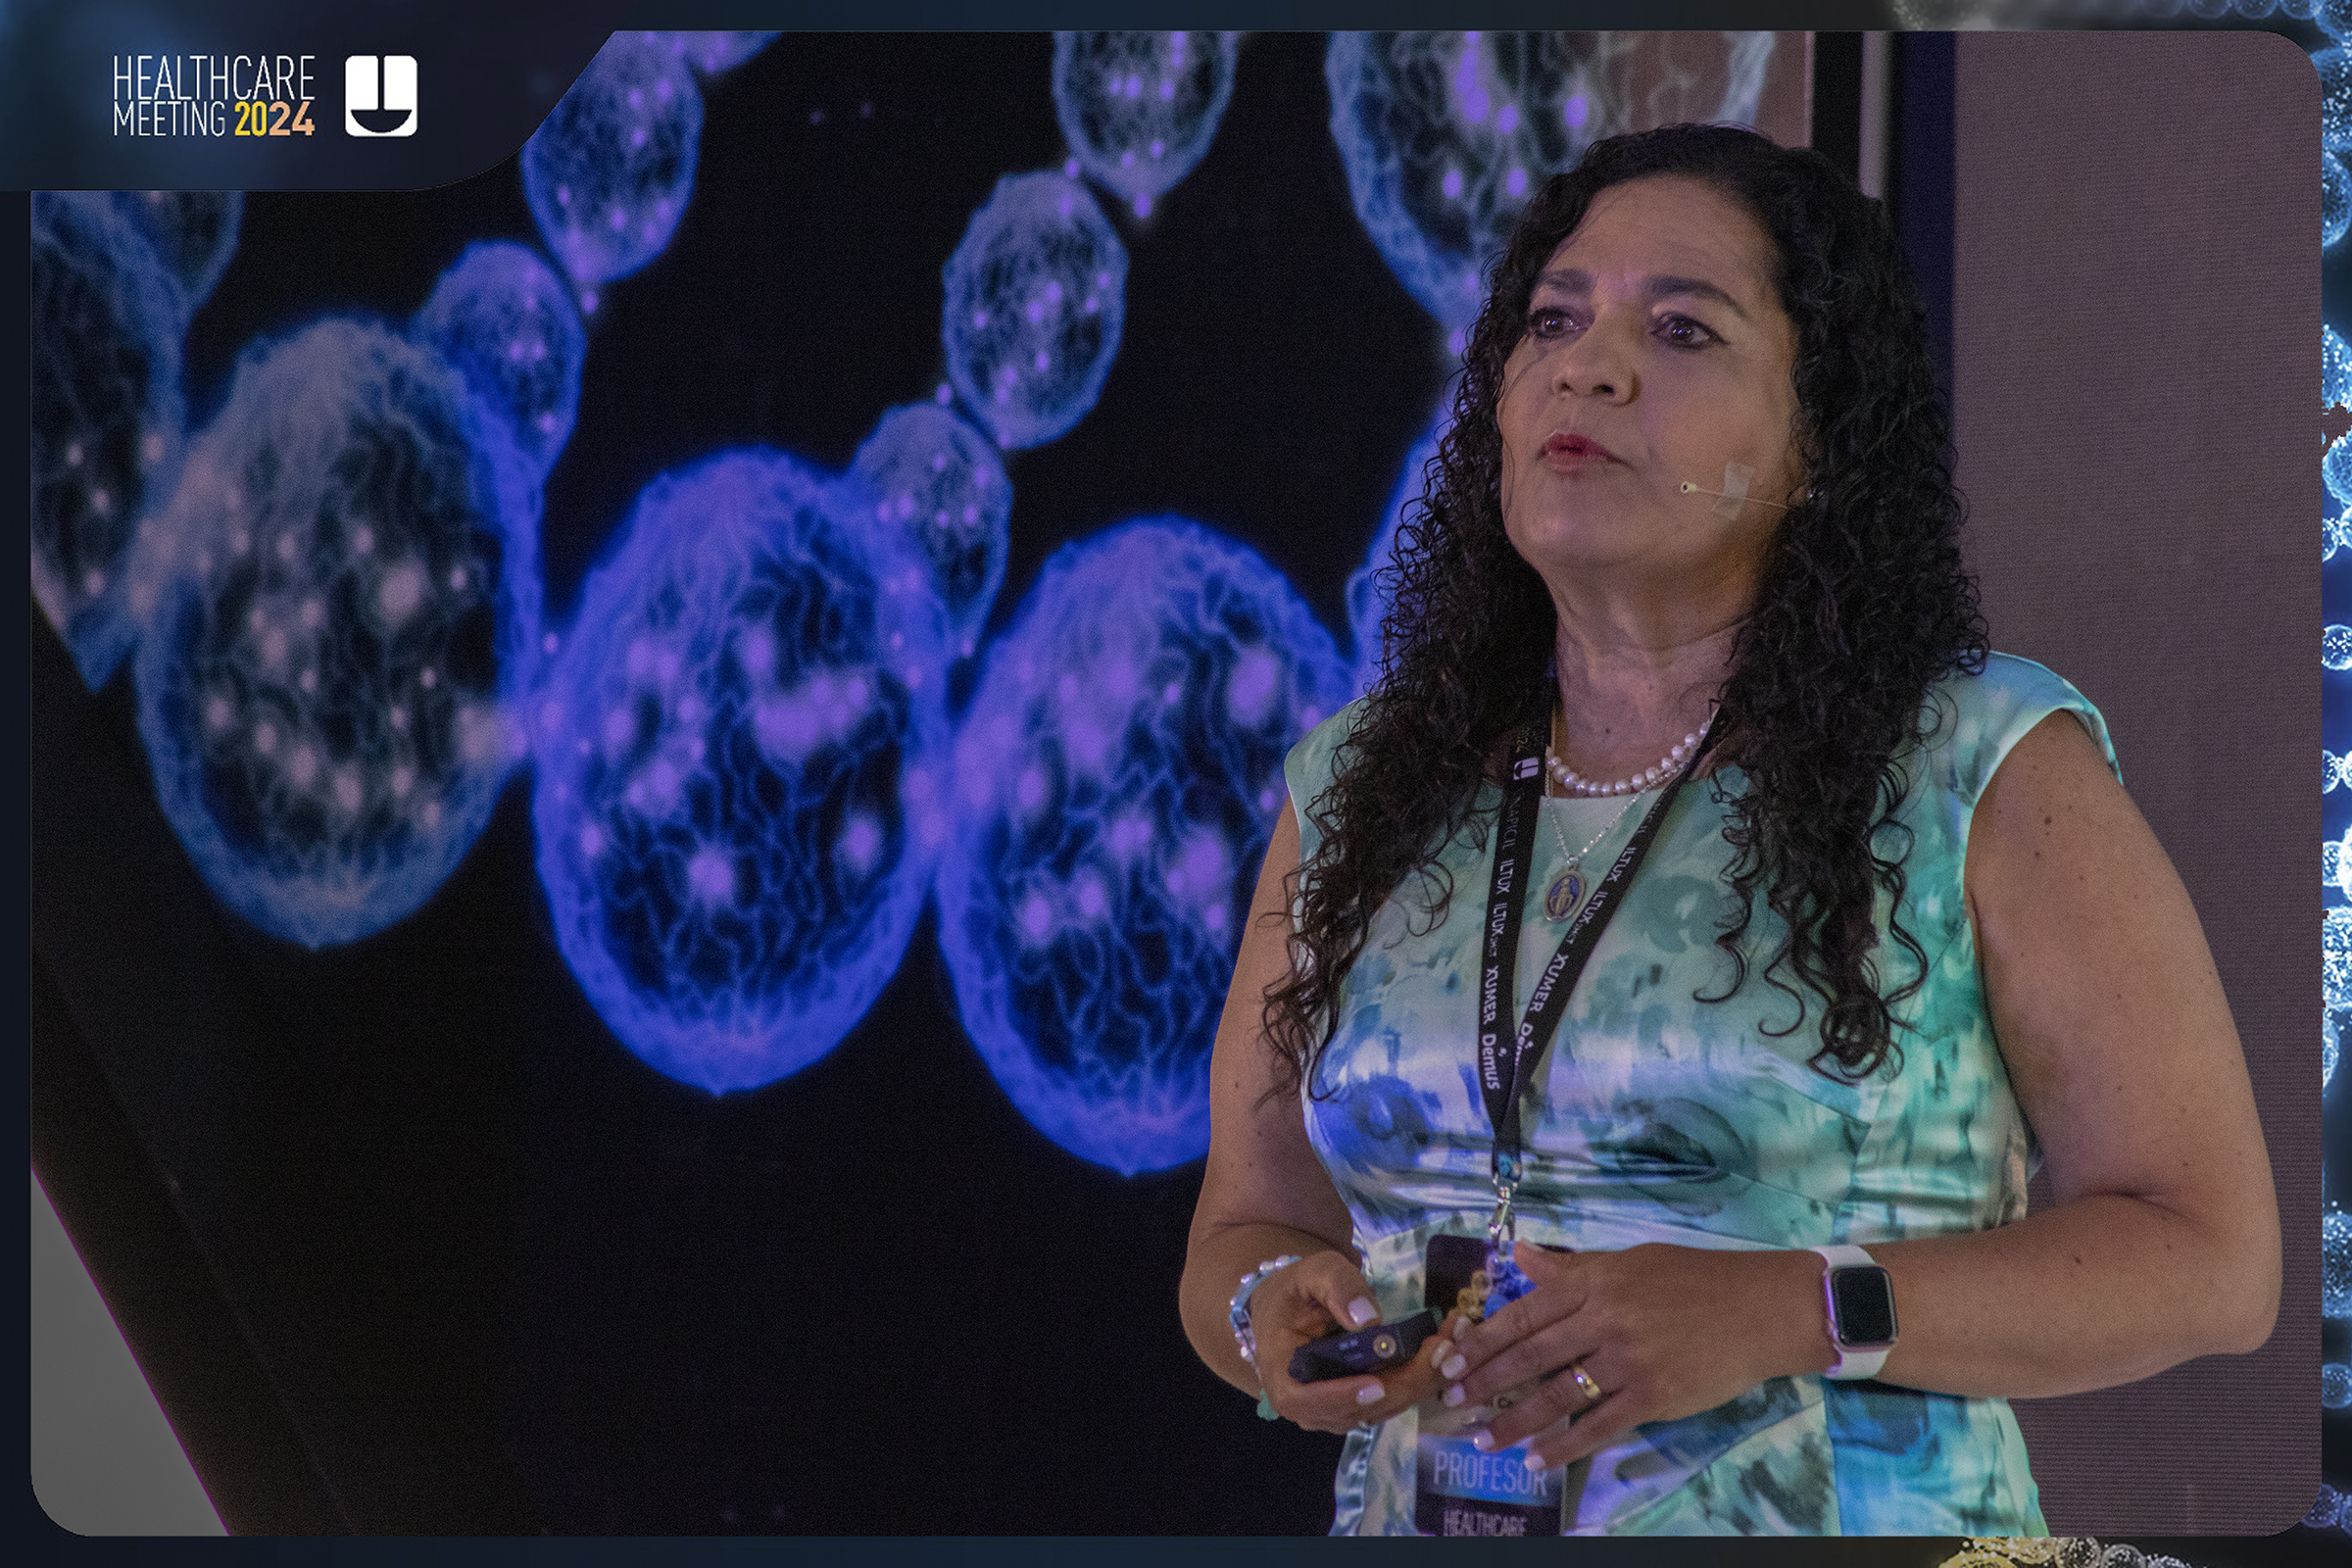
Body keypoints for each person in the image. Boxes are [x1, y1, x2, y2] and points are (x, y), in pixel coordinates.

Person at [1177, 124, 2279, 1537]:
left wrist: (1788, 1308)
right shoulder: (1359, 783)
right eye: (1552, 321)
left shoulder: (1981, 762)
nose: (1587, 367)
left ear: (1817, 440)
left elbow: (2208, 1260)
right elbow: (1245, 1230)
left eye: (1682, 329)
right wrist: (1272, 1310)